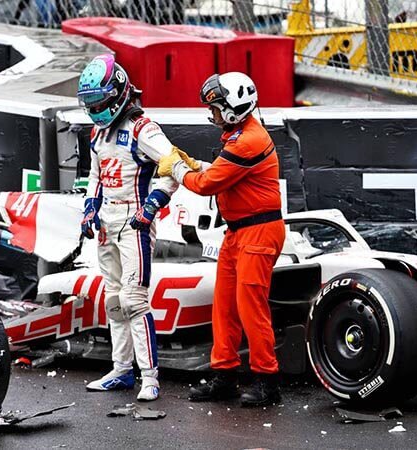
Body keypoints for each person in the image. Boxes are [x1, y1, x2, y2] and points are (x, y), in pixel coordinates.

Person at [158, 72, 285, 407]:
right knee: (225, 306)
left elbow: (206, 184)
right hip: (239, 231)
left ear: (231, 109)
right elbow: (221, 171)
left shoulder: (247, 140)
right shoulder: (241, 135)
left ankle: (267, 381)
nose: (211, 113)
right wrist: (193, 164)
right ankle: (224, 375)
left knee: (250, 308)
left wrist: (177, 169)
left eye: (215, 107)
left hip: (258, 232)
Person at [77, 54, 179, 401]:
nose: (95, 109)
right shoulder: (98, 132)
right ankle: (121, 370)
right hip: (107, 223)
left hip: (135, 222)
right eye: (89, 103)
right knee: (114, 301)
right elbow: (95, 175)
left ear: (117, 93)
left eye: (99, 101)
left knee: (134, 300)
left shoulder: (142, 128)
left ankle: (150, 377)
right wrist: (89, 209)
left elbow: (173, 165)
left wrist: (152, 205)